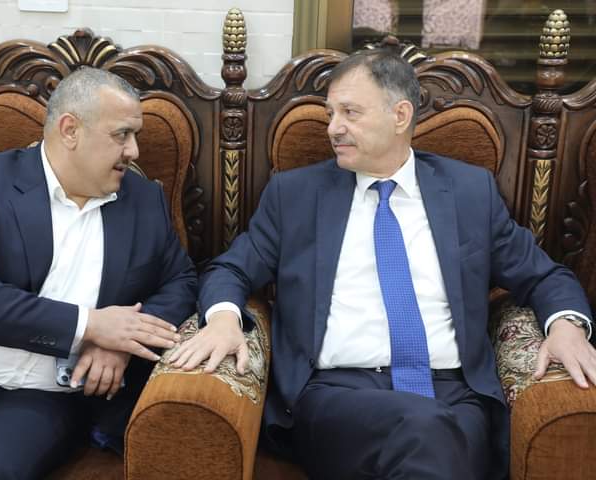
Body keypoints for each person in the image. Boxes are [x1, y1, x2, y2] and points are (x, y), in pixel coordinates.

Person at [169, 49, 596, 479]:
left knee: (437, 432)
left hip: (453, 393)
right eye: (330, 113)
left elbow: (544, 275)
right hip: (337, 396)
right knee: (429, 432)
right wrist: (223, 320)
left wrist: (567, 327)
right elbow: (230, 269)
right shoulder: (295, 195)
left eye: (350, 112)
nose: (333, 128)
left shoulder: (469, 193)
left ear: (400, 115)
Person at [0, 67, 196, 479]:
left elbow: (181, 281)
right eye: (122, 135)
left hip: (42, 396)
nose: (134, 150)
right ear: (70, 130)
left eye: (135, 135)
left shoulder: (143, 201)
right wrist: (91, 326)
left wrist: (122, 343)